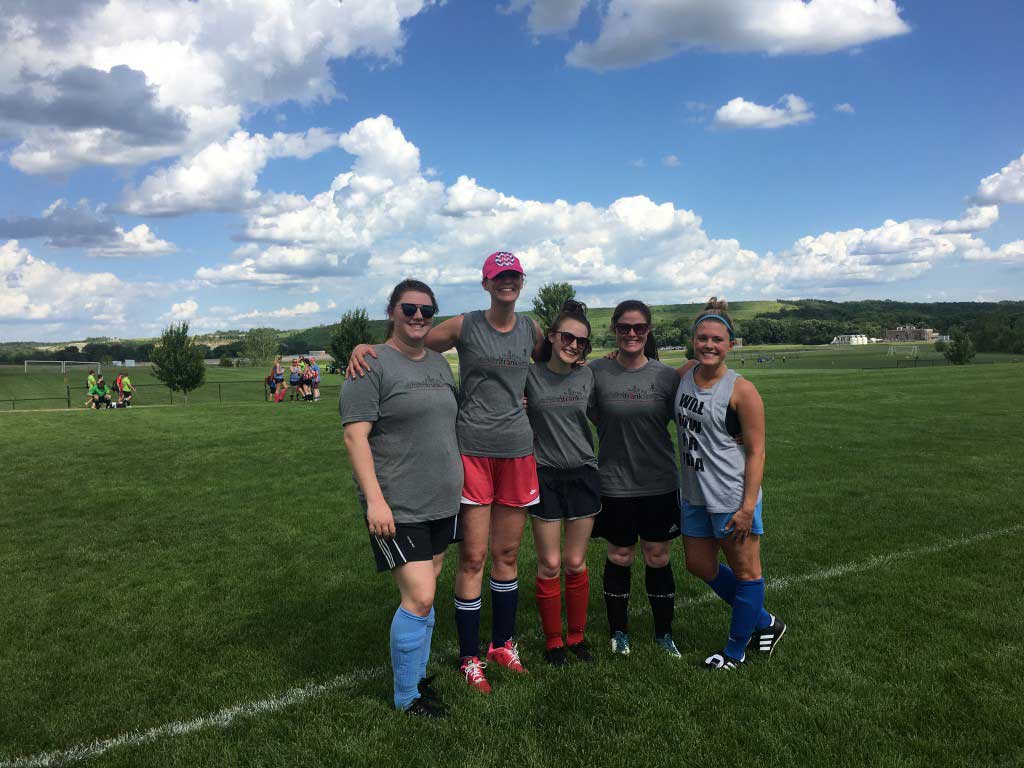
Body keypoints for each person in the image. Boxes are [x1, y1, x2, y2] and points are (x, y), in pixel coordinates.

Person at [348, 251, 544, 692]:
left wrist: (582, 364)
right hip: (471, 450)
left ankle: (503, 645)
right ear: (486, 283)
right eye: (499, 277)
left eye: (514, 277)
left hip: (517, 449)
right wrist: (367, 349)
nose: (507, 284)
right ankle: (469, 656)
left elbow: (557, 361)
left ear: (521, 281)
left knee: (508, 557)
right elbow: (411, 344)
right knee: (473, 557)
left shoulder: (532, 329)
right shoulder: (463, 324)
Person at [340, 279, 463, 718]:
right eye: (408, 308)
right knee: (421, 596)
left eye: (426, 310)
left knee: (425, 591)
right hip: (397, 505)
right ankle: (407, 697)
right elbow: (355, 437)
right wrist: (375, 501)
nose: (418, 317)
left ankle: (418, 677)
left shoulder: (436, 364)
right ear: (392, 311)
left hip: (443, 500)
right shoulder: (371, 364)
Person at [676, 299, 786, 670]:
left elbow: (756, 453)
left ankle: (735, 652)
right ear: (693, 340)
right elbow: (650, 378)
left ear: (730, 345)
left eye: (717, 340)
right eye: (703, 338)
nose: (709, 345)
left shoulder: (742, 391)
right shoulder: (685, 374)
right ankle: (765, 622)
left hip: (729, 495)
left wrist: (747, 507)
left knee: (746, 572)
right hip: (693, 493)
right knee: (699, 565)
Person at [588, 300, 682, 658]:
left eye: (639, 328)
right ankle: (619, 633)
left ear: (648, 331)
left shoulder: (665, 377)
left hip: (659, 482)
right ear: (614, 329)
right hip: (614, 483)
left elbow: (690, 419)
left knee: (658, 556)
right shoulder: (596, 372)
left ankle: (663, 634)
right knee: (620, 555)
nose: (631, 333)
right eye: (624, 327)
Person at [525, 300, 600, 666]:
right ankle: (554, 641)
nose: (574, 345)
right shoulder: (530, 375)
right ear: (553, 337)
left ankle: (577, 637)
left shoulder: (588, 375)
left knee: (575, 561)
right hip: (545, 475)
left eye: (581, 341)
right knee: (550, 562)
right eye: (567, 337)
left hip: (584, 474)